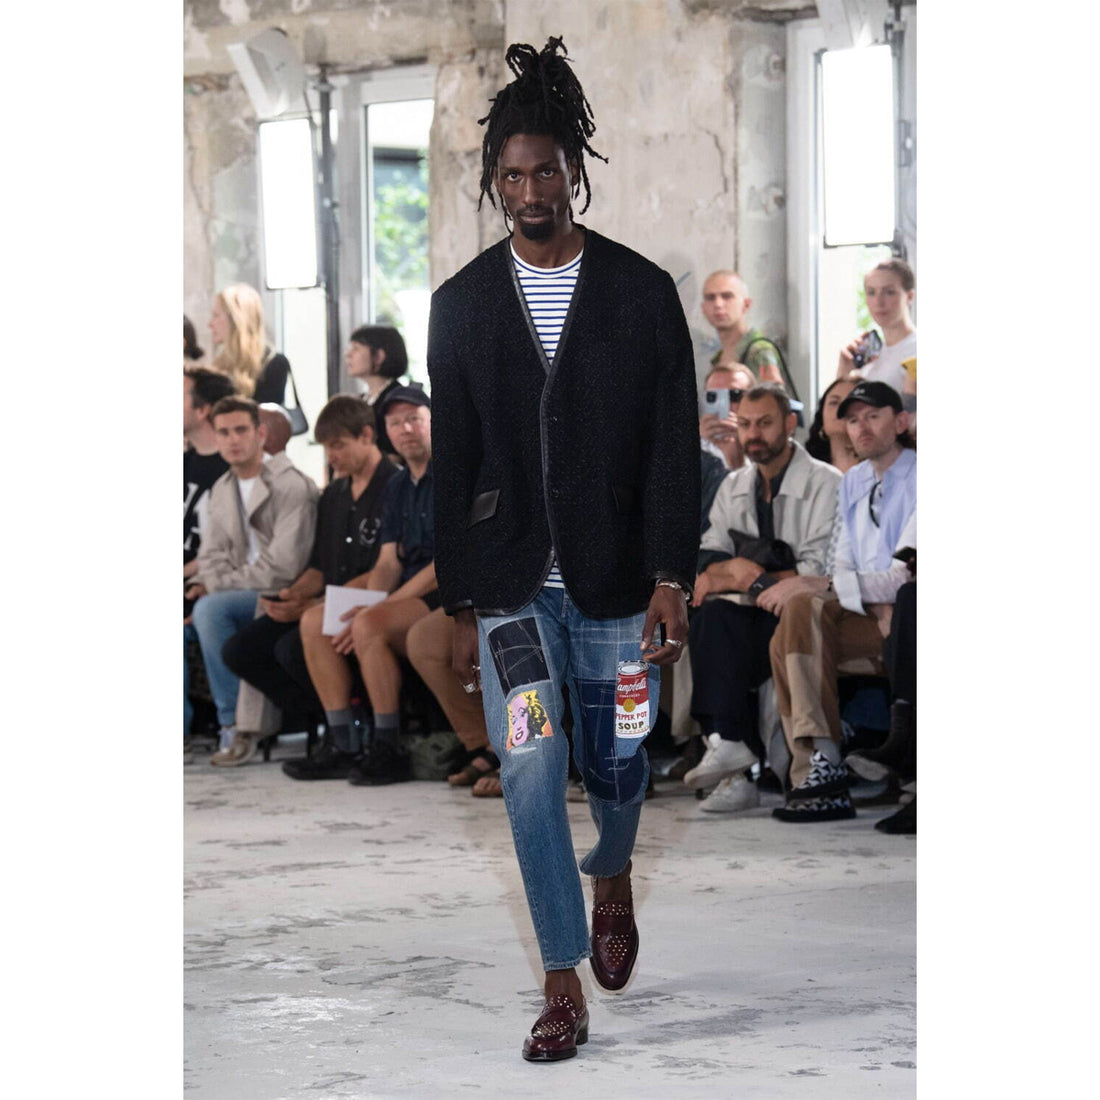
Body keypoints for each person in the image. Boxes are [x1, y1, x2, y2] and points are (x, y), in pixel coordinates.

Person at [428, 38, 699, 1062]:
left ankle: (613, 872)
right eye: (511, 176)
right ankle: (558, 977)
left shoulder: (638, 292)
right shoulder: (460, 305)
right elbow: (453, 462)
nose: (530, 192)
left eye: (545, 172)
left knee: (620, 760)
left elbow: (672, 445)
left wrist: (671, 575)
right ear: (492, 181)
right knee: (532, 760)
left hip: (620, 585)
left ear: (572, 169)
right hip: (512, 591)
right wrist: (461, 599)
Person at [221, 396, 399, 779]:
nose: (331, 456)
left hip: (373, 599)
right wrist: (295, 594)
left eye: (339, 445)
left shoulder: (393, 485)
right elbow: (319, 564)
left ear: (367, 436)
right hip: (325, 599)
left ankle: (346, 734)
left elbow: (387, 569)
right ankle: (334, 722)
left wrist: (315, 603)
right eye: (326, 448)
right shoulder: (334, 494)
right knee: (242, 649)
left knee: (291, 647)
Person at [765, 380, 916, 823]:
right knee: (795, 617)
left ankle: (820, 768)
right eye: (851, 419)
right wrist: (858, 594)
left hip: (909, 622)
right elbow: (843, 565)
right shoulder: (853, 481)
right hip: (873, 617)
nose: (860, 427)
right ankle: (823, 761)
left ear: (901, 421)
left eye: (872, 416)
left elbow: (905, 577)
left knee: (798, 614)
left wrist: (837, 587)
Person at [686, 384, 841, 812]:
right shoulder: (734, 484)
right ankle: (729, 751)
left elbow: (817, 568)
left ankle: (750, 763)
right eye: (746, 424)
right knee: (710, 617)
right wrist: (735, 571)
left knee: (736, 617)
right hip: (749, 610)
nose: (754, 434)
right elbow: (708, 557)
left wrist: (744, 574)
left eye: (765, 423)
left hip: (805, 610)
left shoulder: (827, 482)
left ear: (790, 423)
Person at [296, 387, 439, 786]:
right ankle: (342, 742)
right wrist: (369, 599)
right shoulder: (399, 485)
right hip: (404, 588)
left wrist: (376, 607)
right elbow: (388, 561)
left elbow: (443, 566)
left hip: (440, 593)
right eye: (396, 422)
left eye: (414, 420)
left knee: (367, 623)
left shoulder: (446, 474)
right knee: (315, 621)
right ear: (385, 430)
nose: (405, 429)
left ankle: (387, 744)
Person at [186, 396, 319, 766]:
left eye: (241, 430)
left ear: (260, 433)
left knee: (210, 609)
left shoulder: (292, 485)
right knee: (202, 611)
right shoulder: (222, 488)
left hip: (281, 592)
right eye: (224, 432)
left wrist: (218, 584)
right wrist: (215, 581)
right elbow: (210, 556)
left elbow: (284, 567)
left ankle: (235, 725)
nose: (233, 440)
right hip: (235, 593)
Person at [836, 258, 917, 401]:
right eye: (871, 292)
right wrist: (844, 373)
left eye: (889, 292)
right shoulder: (870, 356)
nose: (879, 302)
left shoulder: (915, 350)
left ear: (909, 296)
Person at [209, 283, 290, 405]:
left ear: (235, 319)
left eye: (216, 315)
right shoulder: (217, 366)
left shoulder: (274, 364)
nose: (210, 324)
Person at [701, 270, 785, 386]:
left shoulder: (759, 351)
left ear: (746, 304)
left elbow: (773, 395)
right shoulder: (718, 358)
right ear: (703, 308)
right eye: (710, 298)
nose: (718, 304)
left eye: (727, 296)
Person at [345, 324, 408, 458]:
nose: (348, 354)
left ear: (379, 356)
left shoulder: (398, 399)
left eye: (356, 348)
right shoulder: (363, 399)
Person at [699, 363, 755, 472]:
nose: (726, 404)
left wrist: (739, 458)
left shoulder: (765, 443)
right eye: (714, 396)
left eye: (735, 395)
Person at [805, 377, 859, 472]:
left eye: (850, 402)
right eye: (834, 403)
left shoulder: (882, 466)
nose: (841, 408)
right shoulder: (805, 467)